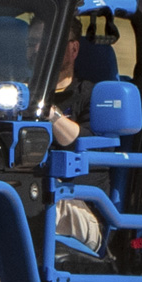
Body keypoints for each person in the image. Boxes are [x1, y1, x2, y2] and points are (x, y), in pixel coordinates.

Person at [44, 21, 105, 255]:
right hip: (32, 190)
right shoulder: (19, 94)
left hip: (80, 208)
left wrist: (48, 112)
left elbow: (86, 143)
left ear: (73, 49)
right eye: (32, 43)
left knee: (35, 206)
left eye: (50, 41)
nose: (39, 49)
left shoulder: (93, 96)